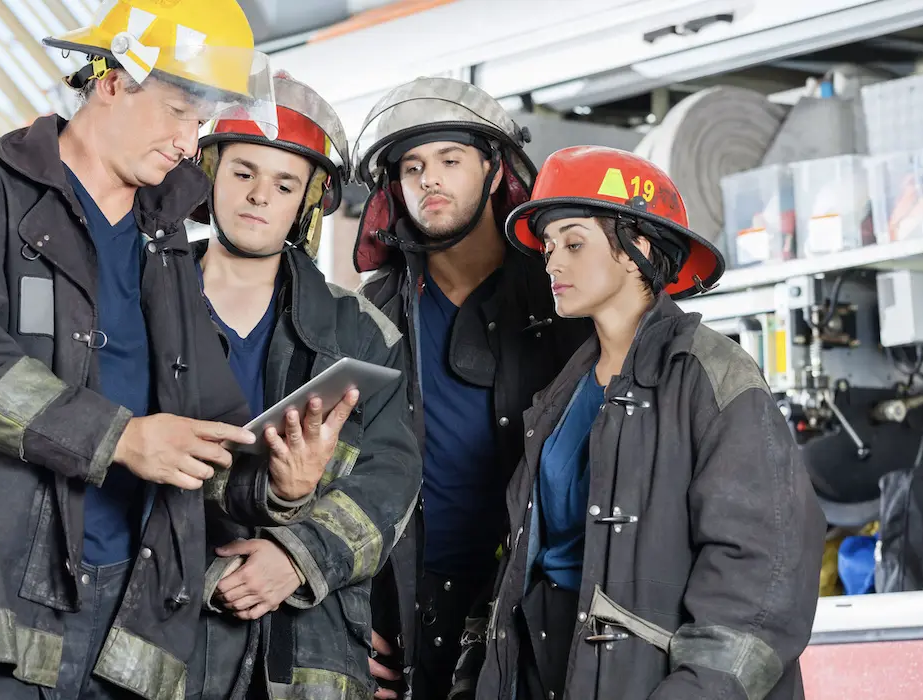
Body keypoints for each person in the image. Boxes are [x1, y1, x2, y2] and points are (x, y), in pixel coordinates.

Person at [0, 3, 323, 699]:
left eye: (198, 124)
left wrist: (278, 488)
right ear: (110, 82)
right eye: (177, 112)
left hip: (127, 611)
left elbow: (210, 419)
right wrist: (121, 438)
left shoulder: (162, 242)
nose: (187, 143)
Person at [452, 145, 825, 700]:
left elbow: (764, 572)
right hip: (548, 670)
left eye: (573, 243)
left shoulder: (711, 374)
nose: (552, 262)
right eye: (550, 246)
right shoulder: (560, 393)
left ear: (636, 249)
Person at [349, 77, 592, 700]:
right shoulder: (365, 320)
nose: (429, 179)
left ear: (493, 171)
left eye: (450, 160)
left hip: (539, 609)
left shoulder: (566, 298)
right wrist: (344, 623)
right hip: (413, 615)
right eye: (412, 166)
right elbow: (333, 476)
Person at [185, 70, 422, 700]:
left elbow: (390, 481)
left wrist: (296, 558)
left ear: (309, 200)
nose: (260, 196)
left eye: (284, 182)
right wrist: (214, 571)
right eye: (243, 173)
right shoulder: (142, 305)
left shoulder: (362, 333)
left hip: (308, 653)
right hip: (167, 638)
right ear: (209, 177)